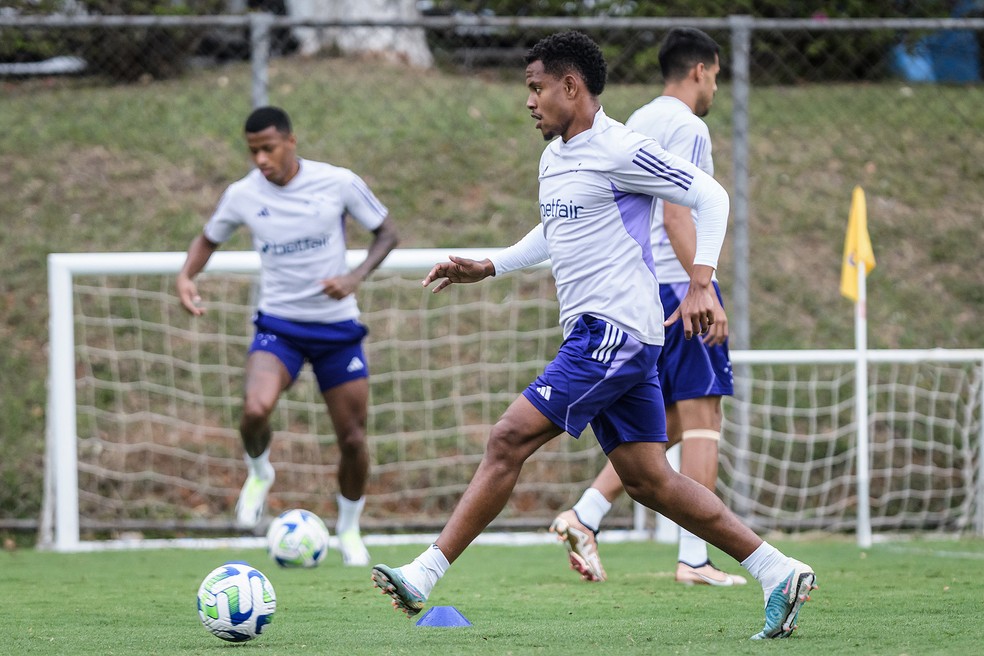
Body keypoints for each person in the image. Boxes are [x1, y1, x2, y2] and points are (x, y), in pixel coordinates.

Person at [370, 31, 816, 639]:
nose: (529, 101)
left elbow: (710, 196)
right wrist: (489, 265)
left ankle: (425, 572)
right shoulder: (555, 157)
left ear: (570, 86)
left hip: (617, 333)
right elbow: (555, 231)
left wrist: (702, 284)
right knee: (649, 480)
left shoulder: (621, 149)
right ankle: (778, 570)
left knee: (507, 439)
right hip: (602, 334)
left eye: (536, 88)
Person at [549, 27, 746, 588]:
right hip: (675, 284)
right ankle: (696, 559)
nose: (714, 86)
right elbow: (679, 214)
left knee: (669, 422)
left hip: (636, 287)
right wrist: (700, 287)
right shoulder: (689, 126)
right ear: (702, 70)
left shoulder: (635, 119)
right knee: (704, 415)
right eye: (716, 76)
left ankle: (584, 514)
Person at [176, 106, 399, 566]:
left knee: (353, 439)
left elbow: (387, 233)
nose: (260, 159)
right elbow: (208, 239)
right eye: (253, 150)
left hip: (337, 328)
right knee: (255, 409)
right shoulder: (242, 195)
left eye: (268, 148)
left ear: (291, 141)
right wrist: (186, 276)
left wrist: (354, 277)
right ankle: (260, 471)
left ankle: (350, 528)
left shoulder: (337, 183)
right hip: (279, 325)